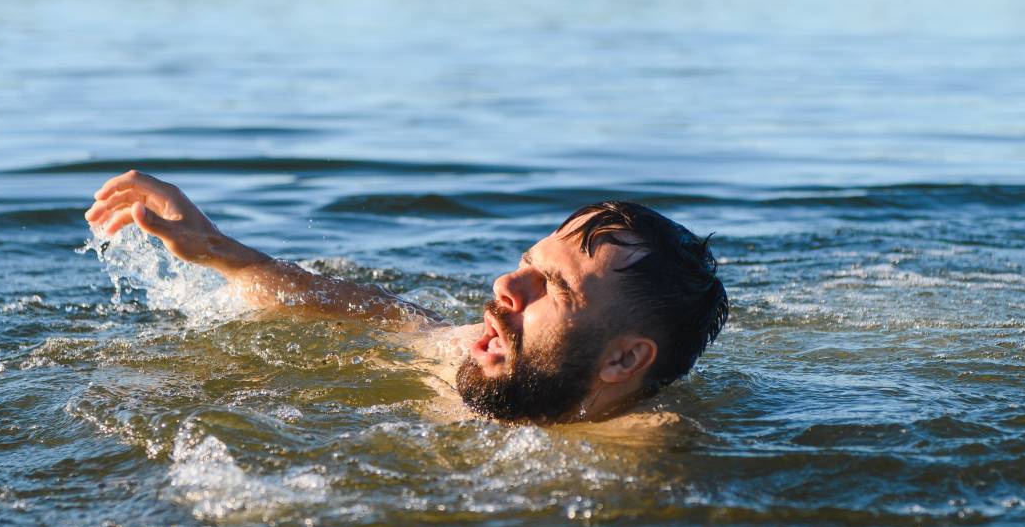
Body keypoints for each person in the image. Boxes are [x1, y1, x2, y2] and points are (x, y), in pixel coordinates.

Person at [84, 170, 728, 425]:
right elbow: (368, 308)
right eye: (527, 264)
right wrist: (219, 248)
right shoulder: (469, 352)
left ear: (622, 362)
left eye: (552, 288)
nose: (507, 286)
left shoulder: (641, 447)